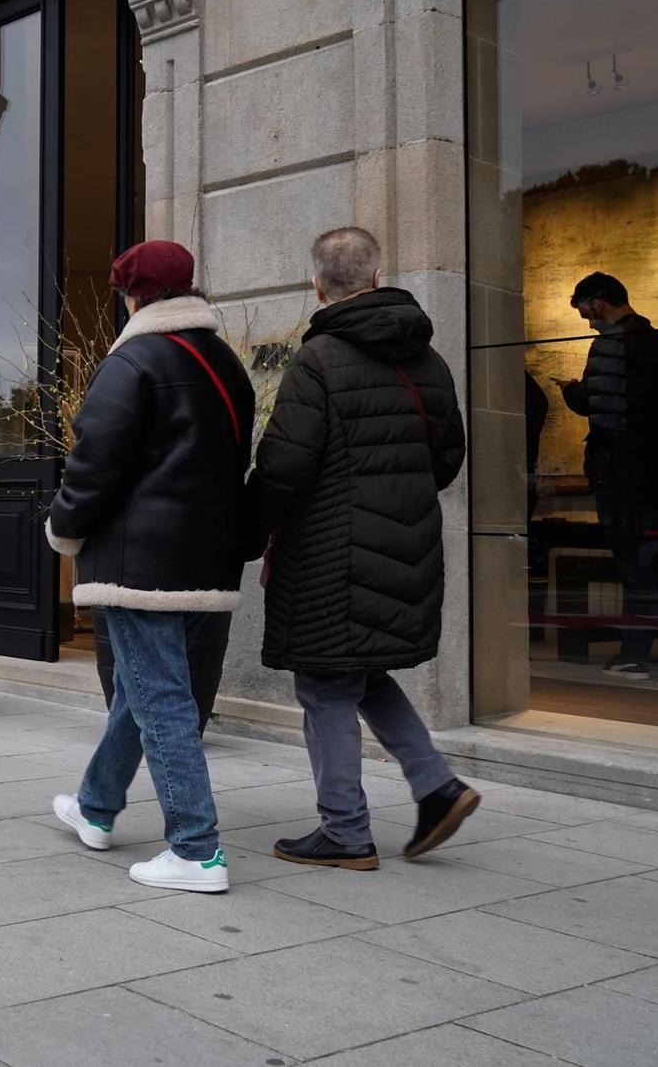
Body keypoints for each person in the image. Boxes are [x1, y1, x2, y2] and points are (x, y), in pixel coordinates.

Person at [248, 227, 476, 870]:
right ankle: (438, 787)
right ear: (377, 277)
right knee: (362, 670)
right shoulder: (428, 360)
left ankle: (346, 832)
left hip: (329, 552)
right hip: (406, 544)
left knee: (324, 683)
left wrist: (247, 534)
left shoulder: (317, 359)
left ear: (317, 285)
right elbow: (447, 460)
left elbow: (283, 467)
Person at [47, 240, 253, 894]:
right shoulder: (226, 363)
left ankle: (196, 847)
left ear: (132, 295)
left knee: (161, 697)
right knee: (146, 690)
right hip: (207, 556)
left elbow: (93, 462)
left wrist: (64, 527)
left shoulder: (132, 358)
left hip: (141, 560)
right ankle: (96, 803)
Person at [556, 271, 658, 689]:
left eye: (585, 311)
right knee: (641, 560)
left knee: (636, 563)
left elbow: (602, 411)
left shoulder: (610, 344)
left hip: (621, 474)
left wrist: (571, 392)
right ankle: (633, 654)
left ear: (601, 302)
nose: (586, 321)